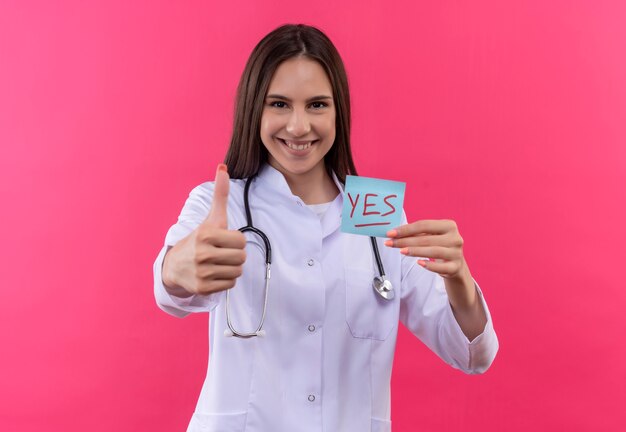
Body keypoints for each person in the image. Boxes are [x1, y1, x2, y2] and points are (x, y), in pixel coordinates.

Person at [153, 23, 498, 432]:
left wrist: (459, 279)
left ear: (339, 111)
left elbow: (472, 356)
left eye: (317, 105)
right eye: (278, 104)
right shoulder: (222, 203)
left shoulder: (370, 207)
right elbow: (170, 289)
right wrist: (178, 269)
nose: (299, 127)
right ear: (253, 109)